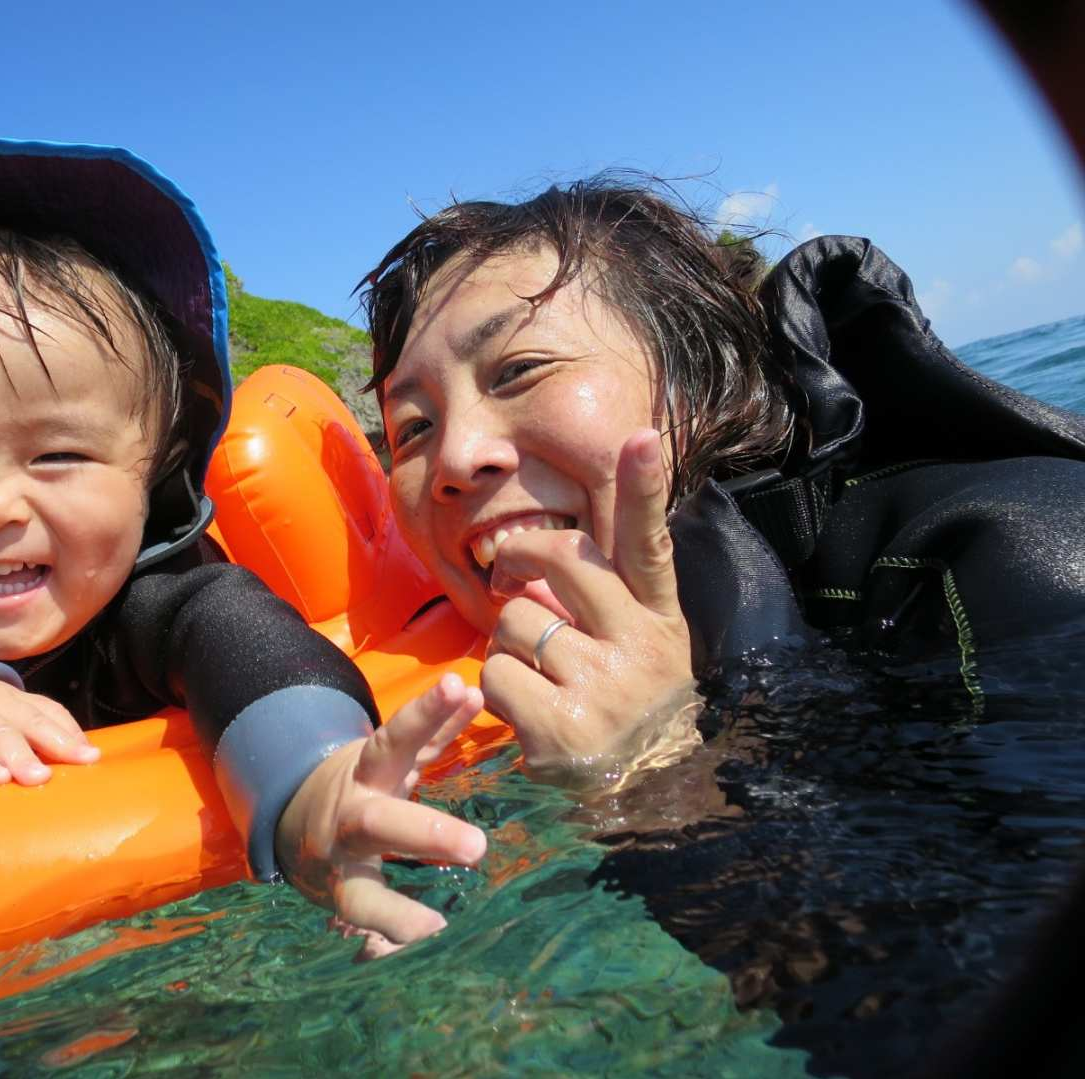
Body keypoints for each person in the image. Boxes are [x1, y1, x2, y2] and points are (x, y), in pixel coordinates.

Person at [0, 131, 486, 953]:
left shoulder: (171, 600)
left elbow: (258, 655)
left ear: (151, 469)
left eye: (59, 455)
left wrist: (315, 787)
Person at [357, 176, 1085, 782]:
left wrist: (654, 774)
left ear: (700, 382)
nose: (454, 459)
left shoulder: (1015, 562)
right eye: (412, 428)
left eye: (519, 370)